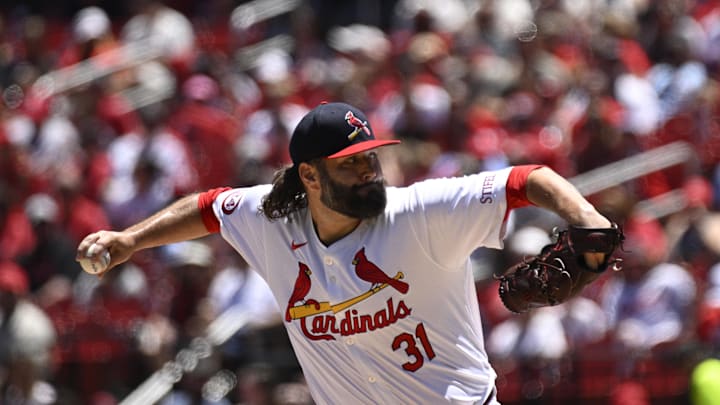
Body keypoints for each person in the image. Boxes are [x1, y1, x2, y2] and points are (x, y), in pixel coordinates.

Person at [77, 102, 613, 404]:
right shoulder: (271, 218)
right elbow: (210, 208)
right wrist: (129, 240)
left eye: (369, 159)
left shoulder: (419, 212)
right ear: (308, 175)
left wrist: (586, 220)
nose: (367, 172)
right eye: (349, 164)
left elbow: (527, 178)